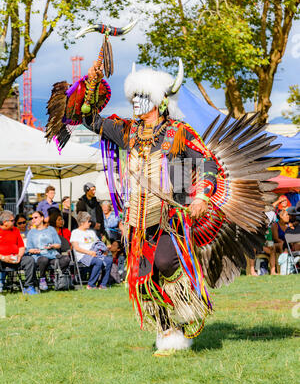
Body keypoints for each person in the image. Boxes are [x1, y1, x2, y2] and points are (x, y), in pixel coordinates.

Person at [45, 39, 279, 354]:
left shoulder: (178, 133)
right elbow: (90, 120)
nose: (136, 103)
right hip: (137, 220)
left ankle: (183, 319)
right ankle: (166, 331)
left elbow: (207, 161)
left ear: (158, 101)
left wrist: (201, 196)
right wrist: (91, 83)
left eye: (142, 97)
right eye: (133, 97)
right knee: (144, 275)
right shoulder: (127, 132)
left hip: (171, 217)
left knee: (168, 262)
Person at [26, 211, 70, 291]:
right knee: (44, 259)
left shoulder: (51, 229)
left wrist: (52, 246)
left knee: (66, 259)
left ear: (42, 218)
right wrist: (34, 250)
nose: (33, 220)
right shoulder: (31, 232)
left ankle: (57, 277)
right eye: (32, 218)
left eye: (36, 217)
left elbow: (58, 244)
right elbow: (29, 248)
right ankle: (42, 279)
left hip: (52, 254)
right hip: (39, 256)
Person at [70, 211, 112, 290]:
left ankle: (102, 284)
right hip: (83, 256)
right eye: (88, 221)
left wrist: (104, 251)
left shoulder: (91, 232)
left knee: (109, 260)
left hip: (95, 254)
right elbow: (76, 248)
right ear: (82, 222)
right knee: (98, 261)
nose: (90, 223)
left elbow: (98, 243)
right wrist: (89, 252)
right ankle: (91, 285)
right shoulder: (75, 232)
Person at [0, 210, 38, 295]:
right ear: (5, 222)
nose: (14, 222)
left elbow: (21, 246)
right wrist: (3, 257)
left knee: (29, 260)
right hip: (2, 259)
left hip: (15, 258)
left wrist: (19, 256)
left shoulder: (15, 230)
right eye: (12, 220)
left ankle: (29, 287)